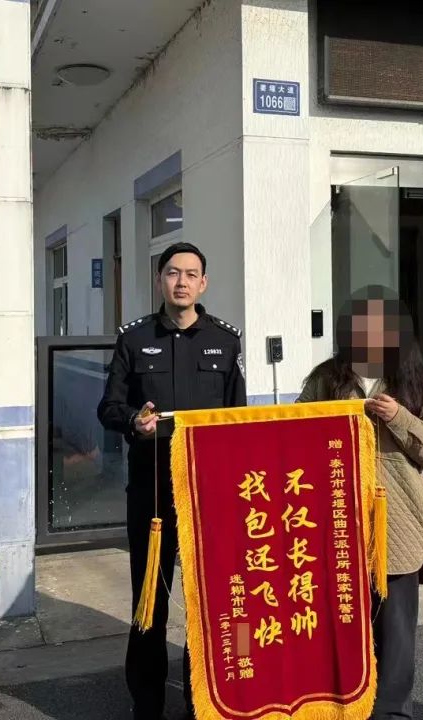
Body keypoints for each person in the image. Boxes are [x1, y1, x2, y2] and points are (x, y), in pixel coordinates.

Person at [97, 241, 247, 720]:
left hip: (209, 495)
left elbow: (238, 419)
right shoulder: (134, 338)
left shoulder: (225, 341)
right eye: (173, 273)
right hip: (153, 493)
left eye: (191, 274)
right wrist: (133, 422)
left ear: (203, 283)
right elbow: (109, 407)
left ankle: (204, 701)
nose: (182, 282)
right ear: (160, 280)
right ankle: (147, 705)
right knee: (150, 600)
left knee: (210, 600)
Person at [296, 284, 423, 720]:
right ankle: (342, 707)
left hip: (397, 529)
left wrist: (399, 417)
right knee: (340, 629)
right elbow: (295, 433)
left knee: (396, 636)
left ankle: (392, 713)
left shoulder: (413, 383)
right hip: (337, 524)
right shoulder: (326, 379)